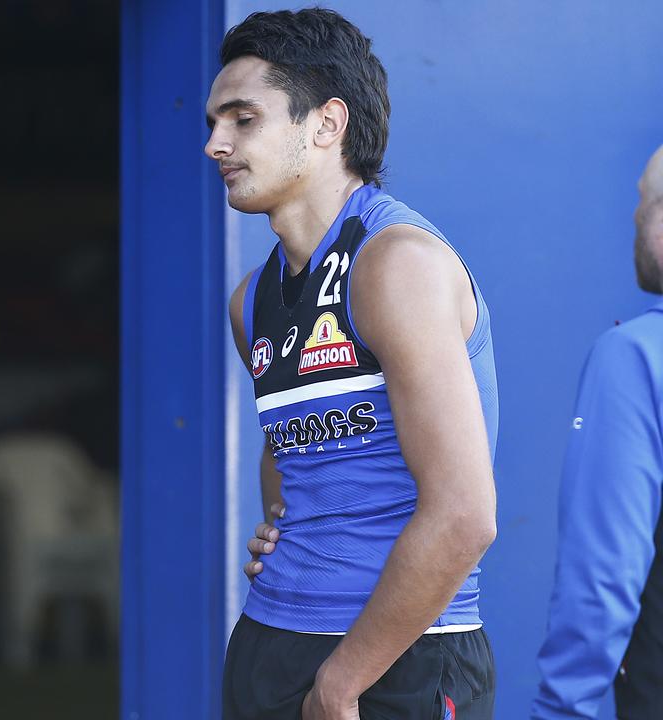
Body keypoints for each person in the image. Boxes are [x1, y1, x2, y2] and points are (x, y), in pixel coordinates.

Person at [210, 9, 498, 720]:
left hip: (394, 661)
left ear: (326, 124)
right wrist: (284, 522)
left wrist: (341, 683)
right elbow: (290, 450)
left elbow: (465, 516)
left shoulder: (395, 262)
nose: (216, 143)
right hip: (268, 640)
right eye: (215, 122)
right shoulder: (252, 301)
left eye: (243, 119)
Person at [531, 145, 663, 719]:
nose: (634, 217)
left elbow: (603, 575)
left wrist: (564, 710)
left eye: (644, 201)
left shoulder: (636, 357)